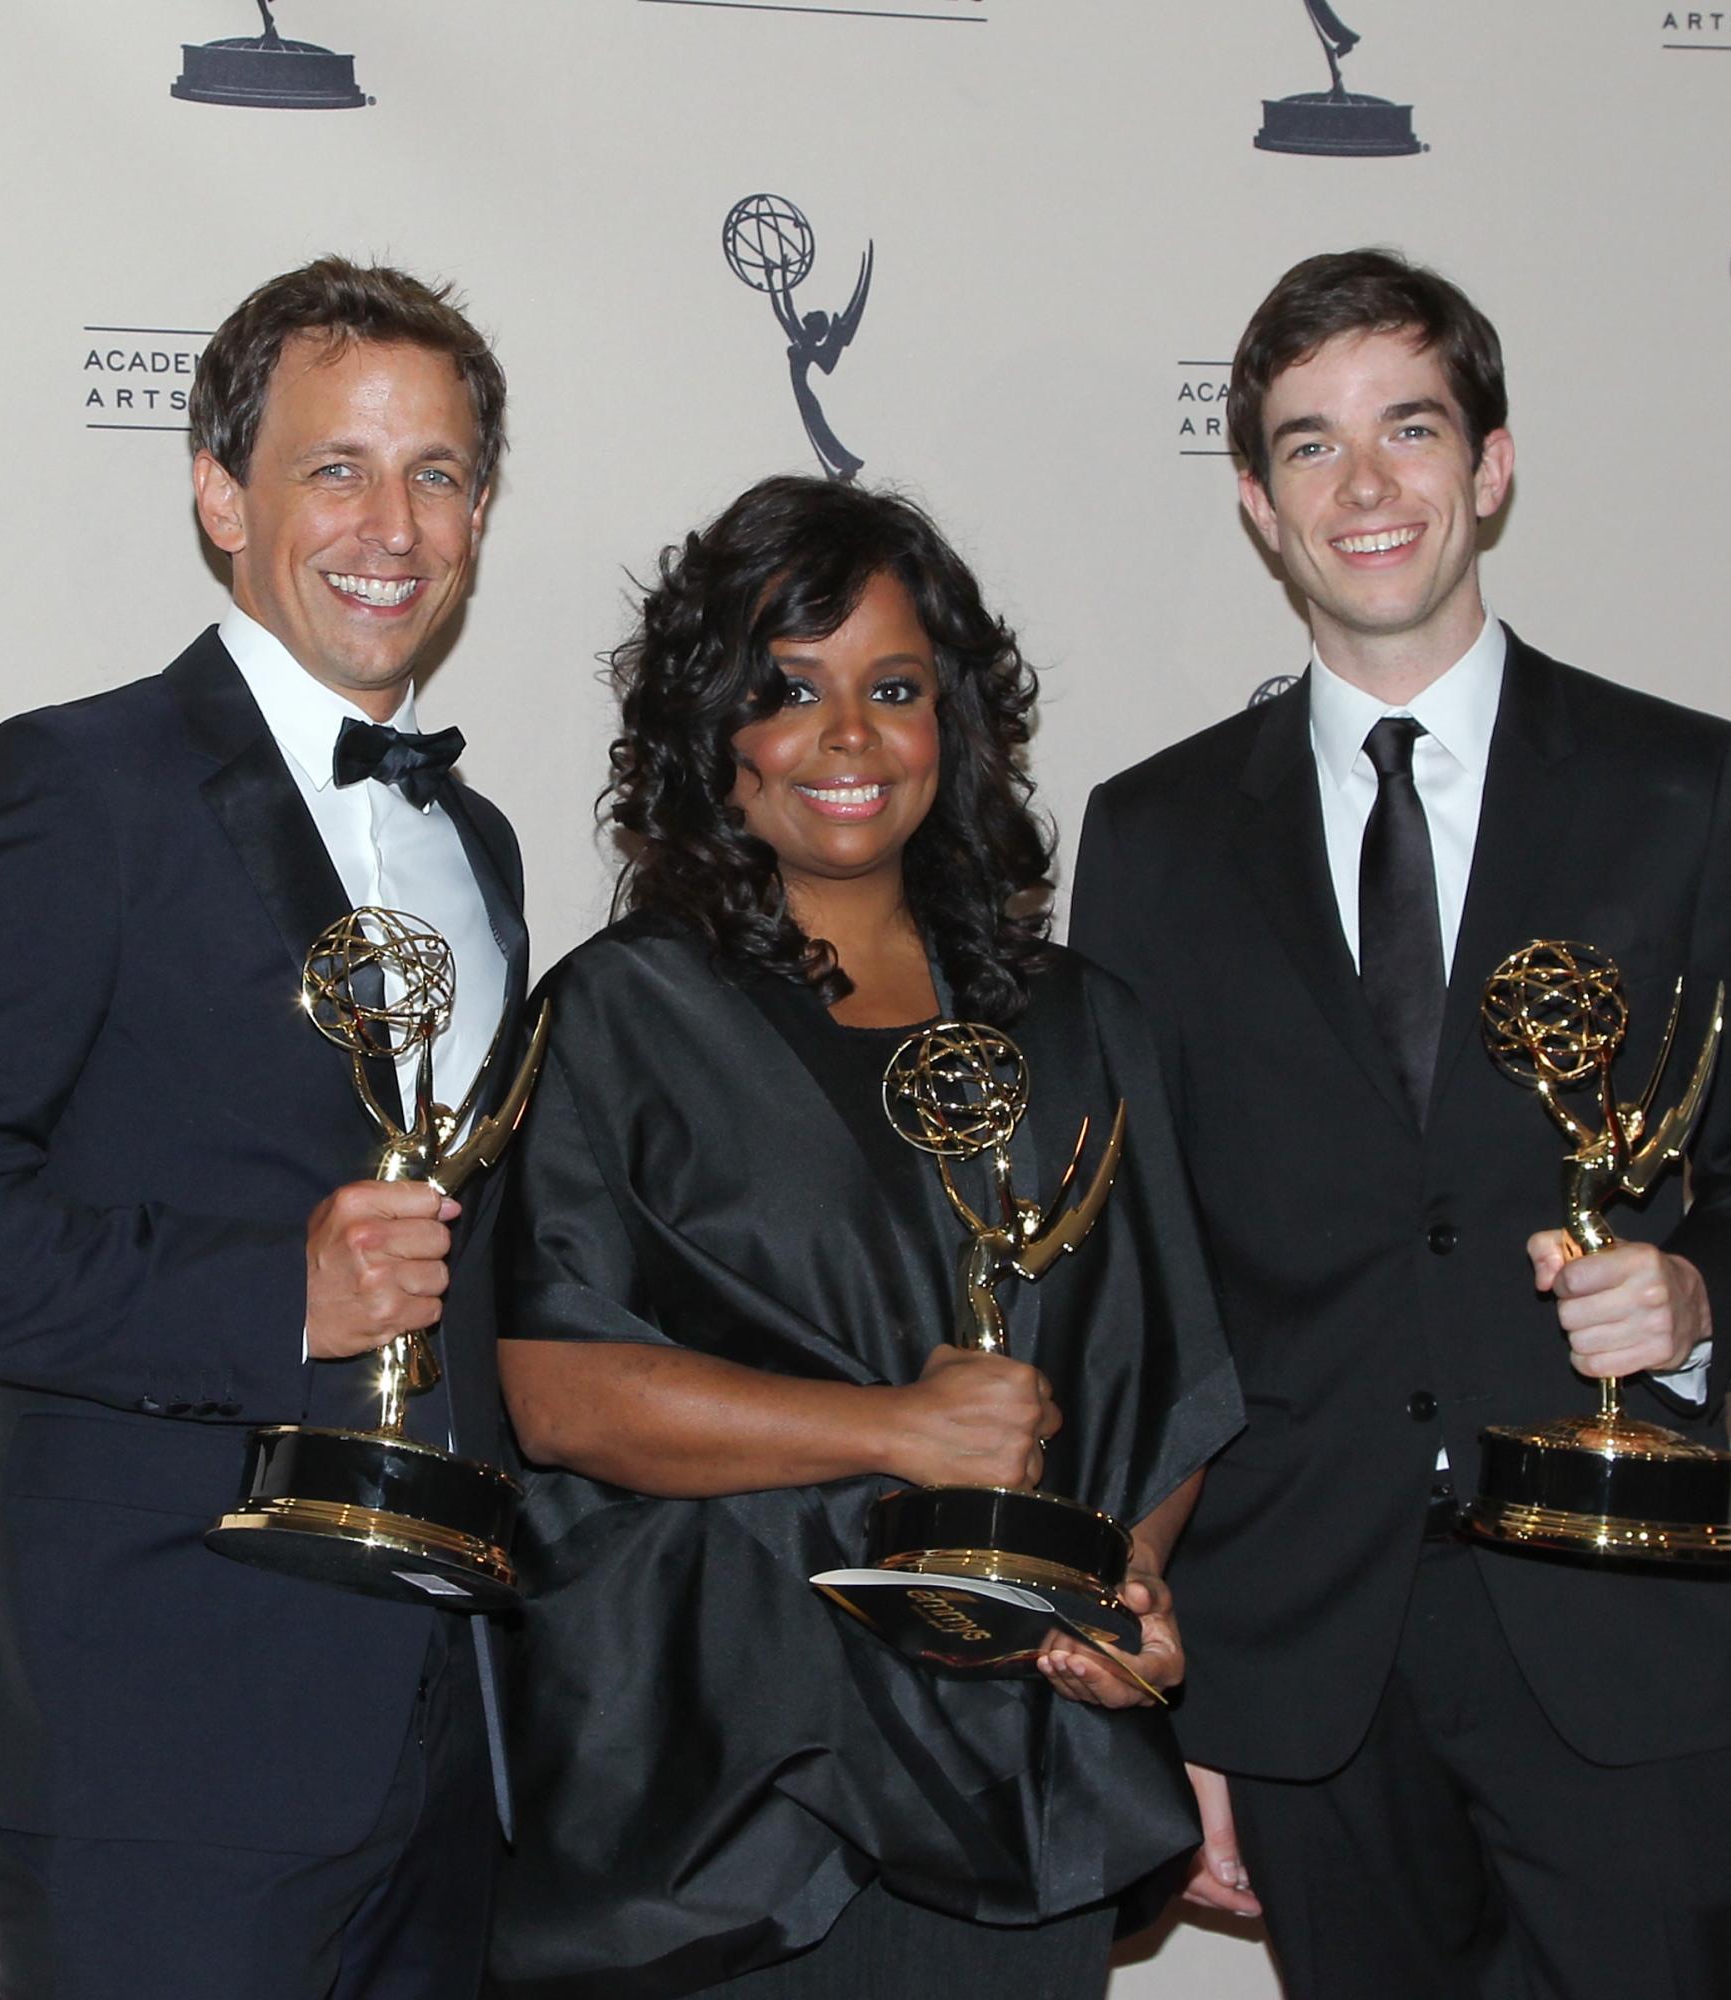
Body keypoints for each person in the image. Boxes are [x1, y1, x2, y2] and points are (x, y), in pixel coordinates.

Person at [1071, 249, 1731, 1998]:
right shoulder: (1151, 839)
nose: (1367, 488)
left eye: (1408, 429)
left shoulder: (1685, 785)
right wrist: (1188, 1692)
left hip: (1616, 1620)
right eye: (1310, 445)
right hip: (1311, 1662)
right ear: (1260, 506)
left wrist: (1701, 1291)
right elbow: (1144, 1278)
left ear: (1489, 464)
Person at [0, 257, 527, 1999]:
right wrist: (277, 1300)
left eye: (437, 473)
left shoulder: (479, 843)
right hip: (164, 1736)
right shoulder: (73, 788)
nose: (392, 525)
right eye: (333, 466)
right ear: (221, 491)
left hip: (451, 1739)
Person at [487, 475, 1241, 2000]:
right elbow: (558, 1391)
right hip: (740, 1791)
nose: (849, 738)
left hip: (1015, 1781)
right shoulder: (622, 1016)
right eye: (791, 691)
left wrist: (1118, 1596)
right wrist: (897, 1429)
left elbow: (1167, 1382)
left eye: (894, 689)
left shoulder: (1085, 1026)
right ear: (716, 736)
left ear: (951, 722)